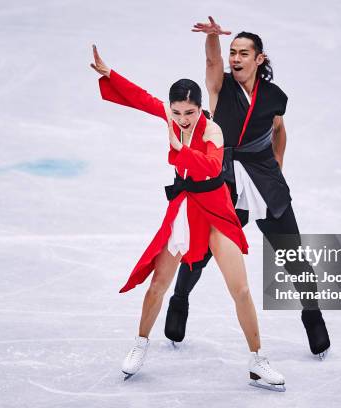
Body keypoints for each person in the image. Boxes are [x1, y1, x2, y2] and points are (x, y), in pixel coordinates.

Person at [90, 45, 286, 391]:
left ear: (200, 109)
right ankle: (140, 344)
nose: (183, 119)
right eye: (177, 112)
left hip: (216, 210)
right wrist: (111, 75)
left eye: (190, 112)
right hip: (185, 210)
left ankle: (258, 360)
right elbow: (142, 99)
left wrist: (183, 149)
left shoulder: (212, 131)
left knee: (240, 289)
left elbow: (211, 166)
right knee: (157, 285)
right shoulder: (170, 115)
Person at [164, 17, 331, 358]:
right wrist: (212, 38)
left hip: (265, 179)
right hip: (224, 179)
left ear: (259, 59)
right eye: (233, 52)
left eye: (243, 53)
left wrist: (278, 163)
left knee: (292, 254)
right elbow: (211, 62)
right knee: (202, 251)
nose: (235, 59)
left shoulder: (274, 96)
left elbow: (279, 129)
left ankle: (312, 315)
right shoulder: (220, 86)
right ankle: (179, 301)